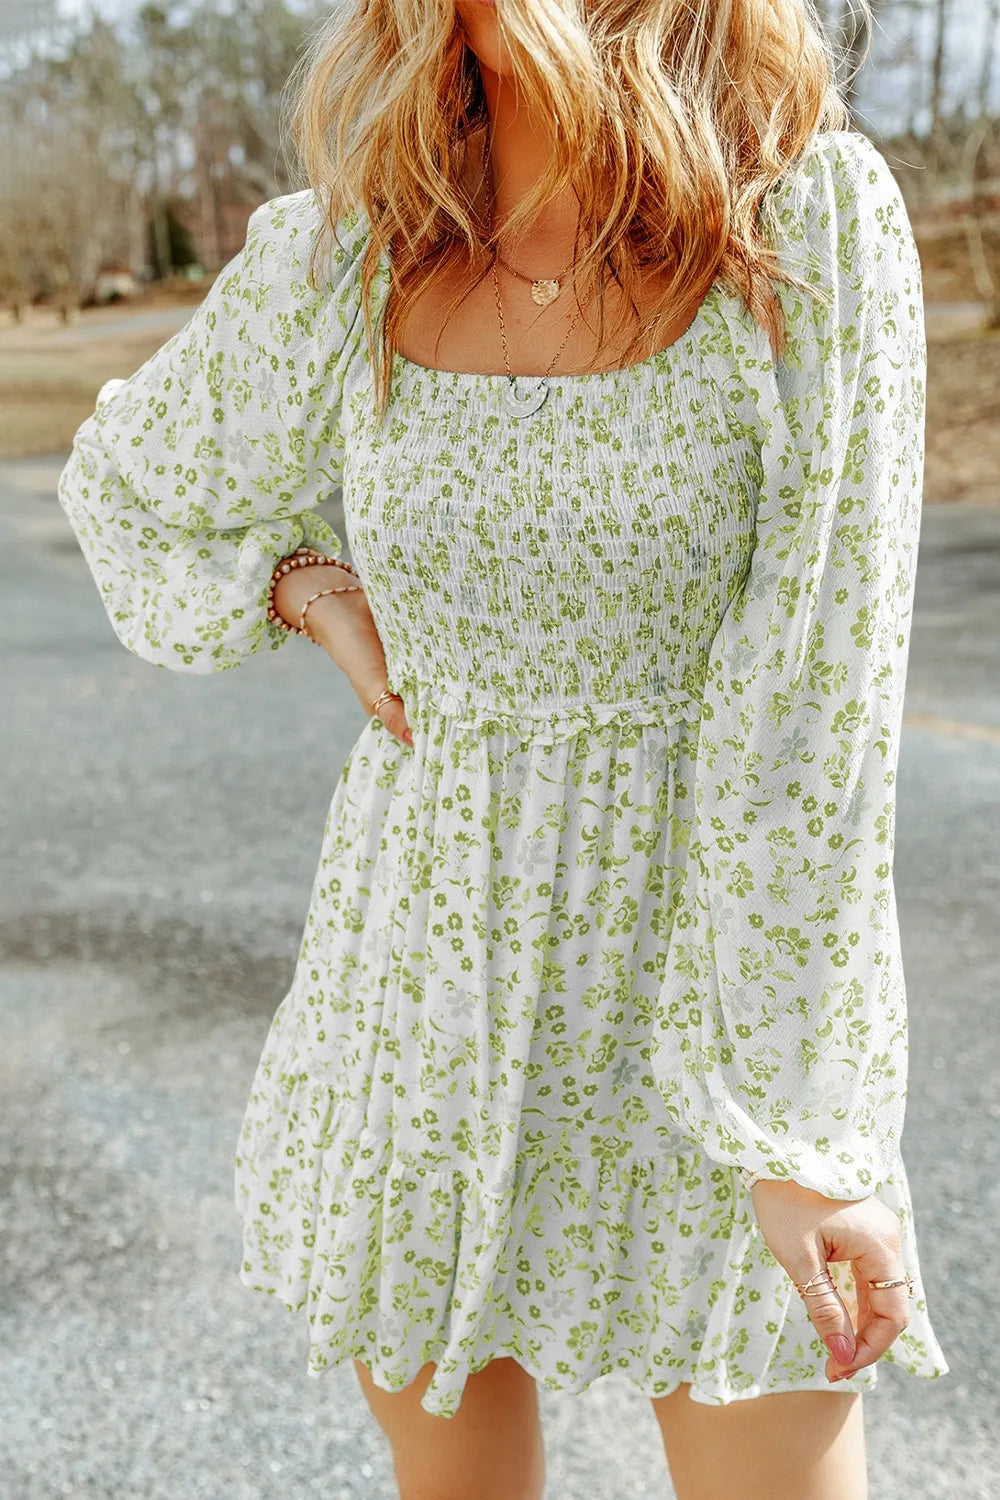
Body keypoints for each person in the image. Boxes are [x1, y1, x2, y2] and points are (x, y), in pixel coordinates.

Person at [57, 0, 949, 1495]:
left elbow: (822, 717)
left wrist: (802, 1132)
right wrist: (306, 582)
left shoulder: (804, 228)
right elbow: (132, 487)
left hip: (706, 1010)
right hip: (421, 991)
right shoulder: (353, 252)